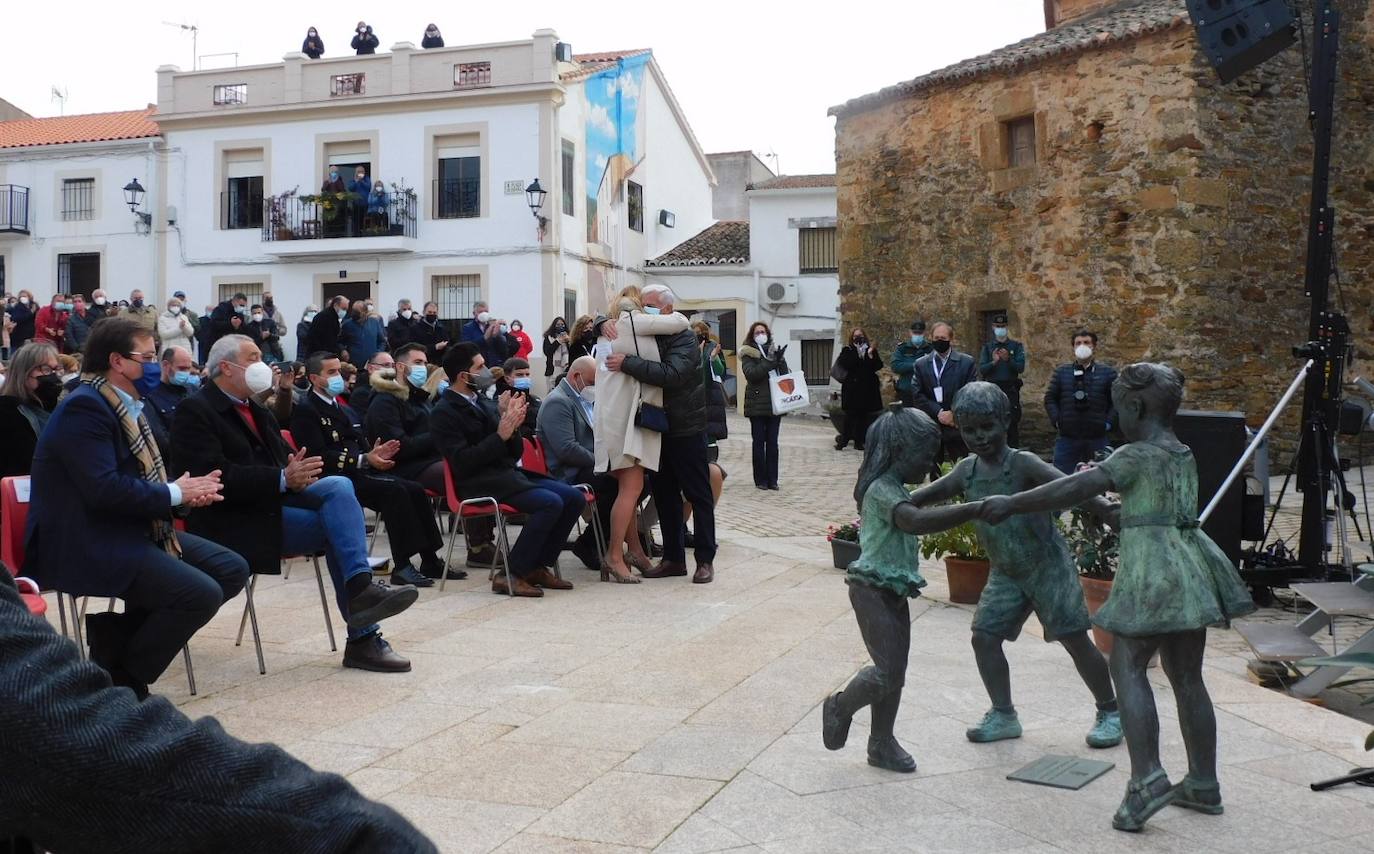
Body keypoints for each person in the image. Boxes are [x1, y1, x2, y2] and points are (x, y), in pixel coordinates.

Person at [979, 363, 1257, 832]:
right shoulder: (1182, 452)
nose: (1115, 417)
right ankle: (1203, 782)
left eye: (1119, 408)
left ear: (1135, 406)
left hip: (1153, 570)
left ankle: (1147, 778)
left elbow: (1072, 488)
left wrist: (1012, 502)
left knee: (1126, 665)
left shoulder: (1134, 455)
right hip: (1190, 569)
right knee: (1188, 677)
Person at [0, 570, 439, 854]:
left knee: (330, 499)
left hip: (169, 524)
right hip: (93, 539)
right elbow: (54, 742)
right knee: (199, 588)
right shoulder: (84, 438)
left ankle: (361, 600)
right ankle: (121, 664)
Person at [23, 317, 250, 698]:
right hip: (84, 538)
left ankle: (113, 650)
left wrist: (185, 495)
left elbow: (145, 478)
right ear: (117, 361)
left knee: (230, 569)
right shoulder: (85, 407)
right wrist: (174, 493)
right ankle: (125, 679)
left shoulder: (127, 406)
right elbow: (103, 490)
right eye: (146, 358)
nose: (153, 365)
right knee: (199, 593)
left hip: (129, 526)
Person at [171, 334, 419, 673]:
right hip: (233, 515)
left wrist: (299, 472)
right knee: (337, 529)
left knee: (339, 485)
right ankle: (363, 636)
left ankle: (360, 588)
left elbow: (285, 458)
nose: (262, 365)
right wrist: (282, 478)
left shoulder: (254, 407)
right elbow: (212, 476)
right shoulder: (196, 410)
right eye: (253, 358)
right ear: (226, 368)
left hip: (274, 500)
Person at [899, 382, 1122, 749]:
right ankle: (1003, 713)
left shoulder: (1023, 463)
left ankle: (1110, 710)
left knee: (1075, 640)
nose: (979, 437)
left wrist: (1106, 509)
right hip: (1006, 572)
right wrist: (889, 500)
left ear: (1006, 420)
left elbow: (1069, 486)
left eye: (987, 427)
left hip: (1047, 567)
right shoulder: (967, 471)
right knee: (984, 638)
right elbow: (922, 497)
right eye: (969, 430)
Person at [821, 407, 947, 774]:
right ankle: (840, 706)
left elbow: (915, 503)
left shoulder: (896, 488)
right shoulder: (881, 490)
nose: (929, 462)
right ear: (900, 452)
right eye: (925, 455)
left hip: (892, 589)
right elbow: (913, 519)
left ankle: (881, 742)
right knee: (887, 671)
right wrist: (974, 510)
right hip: (870, 589)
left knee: (896, 672)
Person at [290, 353, 461, 587]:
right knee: (394, 491)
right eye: (331, 372)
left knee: (414, 489)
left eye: (339, 371)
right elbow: (318, 455)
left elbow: (358, 440)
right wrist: (363, 459)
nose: (338, 377)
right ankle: (402, 565)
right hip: (334, 478)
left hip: (358, 470)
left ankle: (430, 559)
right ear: (314, 378)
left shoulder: (341, 406)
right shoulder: (307, 410)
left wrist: (374, 455)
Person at [433, 341, 582, 597]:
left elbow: (513, 453)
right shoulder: (443, 412)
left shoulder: (483, 401)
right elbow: (462, 461)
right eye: (479, 367)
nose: (486, 371)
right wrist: (499, 435)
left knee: (573, 497)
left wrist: (511, 427)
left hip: (506, 475)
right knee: (550, 503)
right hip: (478, 482)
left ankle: (536, 566)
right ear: (463, 376)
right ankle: (511, 574)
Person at [603, 284, 716, 583]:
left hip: (686, 427)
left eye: (651, 305)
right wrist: (604, 323)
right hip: (657, 427)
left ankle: (705, 560)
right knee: (665, 496)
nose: (646, 311)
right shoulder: (647, 331)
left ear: (667, 308)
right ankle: (673, 559)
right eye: (643, 305)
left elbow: (672, 374)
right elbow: (608, 322)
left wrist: (627, 363)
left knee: (698, 494)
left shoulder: (684, 337)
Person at [536, 355, 611, 571]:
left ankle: (601, 539)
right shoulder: (558, 402)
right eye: (592, 382)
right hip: (566, 472)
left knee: (637, 481)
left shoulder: (583, 399)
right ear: (576, 376)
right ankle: (589, 543)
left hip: (585, 466)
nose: (594, 388)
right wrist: (601, 463)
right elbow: (567, 449)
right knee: (617, 484)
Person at [364, 344, 446, 495]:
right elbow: (399, 447)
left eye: (425, 363)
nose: (423, 368)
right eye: (418, 362)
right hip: (405, 468)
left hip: (432, 460)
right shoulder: (384, 401)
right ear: (400, 367)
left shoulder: (420, 397)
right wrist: (438, 434)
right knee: (457, 474)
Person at [1046, 330, 1118, 475]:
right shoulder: (1061, 372)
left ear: (1094, 346)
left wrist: (1108, 423)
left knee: (1101, 479)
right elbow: (1050, 398)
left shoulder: (1107, 373)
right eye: (1078, 343)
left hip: (1097, 436)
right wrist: (1057, 420)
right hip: (1067, 436)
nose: (1082, 346)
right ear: (1073, 347)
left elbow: (1116, 401)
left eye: (1086, 342)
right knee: (1061, 478)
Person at [911, 321, 978, 467]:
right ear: (931, 338)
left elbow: (971, 393)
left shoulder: (966, 362)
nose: (939, 341)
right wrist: (939, 412)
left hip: (956, 425)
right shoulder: (921, 364)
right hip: (931, 425)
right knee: (934, 471)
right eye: (936, 338)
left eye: (943, 338)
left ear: (951, 339)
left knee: (960, 468)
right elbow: (917, 394)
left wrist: (952, 413)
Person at [0, 342, 61, 481]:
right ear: (24, 372)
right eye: (45, 369)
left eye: (56, 369)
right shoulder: (7, 412)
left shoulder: (56, 408)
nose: (52, 376)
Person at [739, 321, 788, 490]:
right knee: (759, 443)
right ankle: (760, 479)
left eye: (763, 332)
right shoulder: (748, 353)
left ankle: (773, 479)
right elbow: (752, 374)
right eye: (757, 332)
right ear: (752, 336)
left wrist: (779, 360)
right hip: (757, 405)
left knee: (773, 443)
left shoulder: (773, 351)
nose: (761, 335)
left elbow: (784, 375)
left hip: (775, 403)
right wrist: (769, 362)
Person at [977, 313, 1027, 448]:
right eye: (998, 326)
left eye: (1003, 326)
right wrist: (993, 362)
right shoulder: (988, 347)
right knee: (992, 422)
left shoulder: (1016, 346)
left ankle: (1013, 452)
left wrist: (1008, 359)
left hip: (1010, 389)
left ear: (1007, 327)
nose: (1000, 329)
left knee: (1012, 424)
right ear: (993, 327)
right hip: (992, 390)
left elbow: (1020, 368)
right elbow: (982, 369)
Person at [145, 346, 201, 461]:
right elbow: (162, 440)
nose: (185, 373)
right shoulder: (151, 396)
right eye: (181, 368)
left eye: (188, 369)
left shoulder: (193, 391)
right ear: (166, 365)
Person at [833, 327, 884, 452]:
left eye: (860, 336)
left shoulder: (870, 350)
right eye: (855, 336)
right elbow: (847, 364)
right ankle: (843, 441)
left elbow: (878, 365)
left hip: (867, 389)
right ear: (852, 338)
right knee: (850, 416)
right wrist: (859, 353)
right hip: (852, 389)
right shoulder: (848, 350)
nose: (858, 338)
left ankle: (859, 441)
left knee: (863, 417)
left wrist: (870, 355)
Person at [494, 357, 540, 439]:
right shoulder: (501, 401)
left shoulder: (534, 399)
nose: (525, 378)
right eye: (519, 375)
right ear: (507, 378)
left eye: (527, 374)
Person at [890, 319, 932, 407]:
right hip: (906, 392)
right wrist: (917, 364)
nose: (917, 335)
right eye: (915, 333)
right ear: (910, 333)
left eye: (920, 333)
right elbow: (895, 366)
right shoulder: (902, 348)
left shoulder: (930, 349)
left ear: (924, 333)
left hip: (925, 392)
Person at [460, 301, 509, 368]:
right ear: (474, 313)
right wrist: (485, 337)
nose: (484, 314)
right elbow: (467, 347)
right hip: (478, 365)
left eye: (486, 311)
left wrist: (499, 334)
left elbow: (505, 348)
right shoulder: (468, 328)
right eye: (480, 312)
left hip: (494, 365)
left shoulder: (493, 324)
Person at [348, 350, 393, 422]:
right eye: (386, 365)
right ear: (371, 368)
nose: (391, 370)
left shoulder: (394, 390)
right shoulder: (361, 394)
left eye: (393, 366)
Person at [341, 301, 387, 370]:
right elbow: (339, 342)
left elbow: (382, 341)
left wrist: (378, 353)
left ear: (365, 312)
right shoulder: (347, 324)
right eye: (354, 311)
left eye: (358, 313)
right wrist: (343, 350)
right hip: (354, 365)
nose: (356, 317)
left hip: (372, 364)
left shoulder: (374, 322)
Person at [259, 292, 287, 363]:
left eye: (271, 298)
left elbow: (284, 330)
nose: (270, 299)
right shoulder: (259, 312)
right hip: (263, 345)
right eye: (267, 298)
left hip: (275, 345)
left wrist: (275, 330)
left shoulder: (278, 314)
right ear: (263, 299)